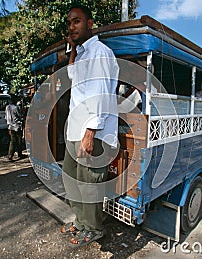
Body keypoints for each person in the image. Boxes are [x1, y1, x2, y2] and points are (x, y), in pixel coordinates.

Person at [60, 4, 119, 248]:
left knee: (89, 185)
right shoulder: (83, 54)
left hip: (92, 133)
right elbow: (72, 75)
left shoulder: (100, 53)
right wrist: (73, 49)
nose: (72, 27)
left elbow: (100, 94)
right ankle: (82, 222)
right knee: (72, 181)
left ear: (90, 23)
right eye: (69, 23)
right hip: (76, 131)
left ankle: (94, 228)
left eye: (77, 21)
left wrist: (90, 133)